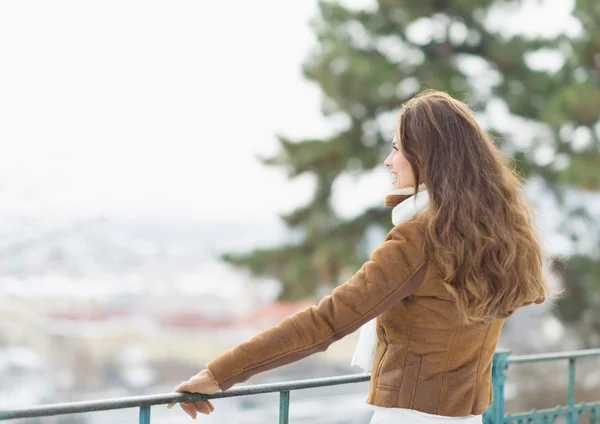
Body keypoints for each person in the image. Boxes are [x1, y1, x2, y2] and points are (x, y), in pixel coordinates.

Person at [167, 90, 549, 423]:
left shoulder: (420, 238)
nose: (388, 160)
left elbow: (326, 321)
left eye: (398, 148)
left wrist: (219, 373)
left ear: (428, 157)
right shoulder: (495, 236)